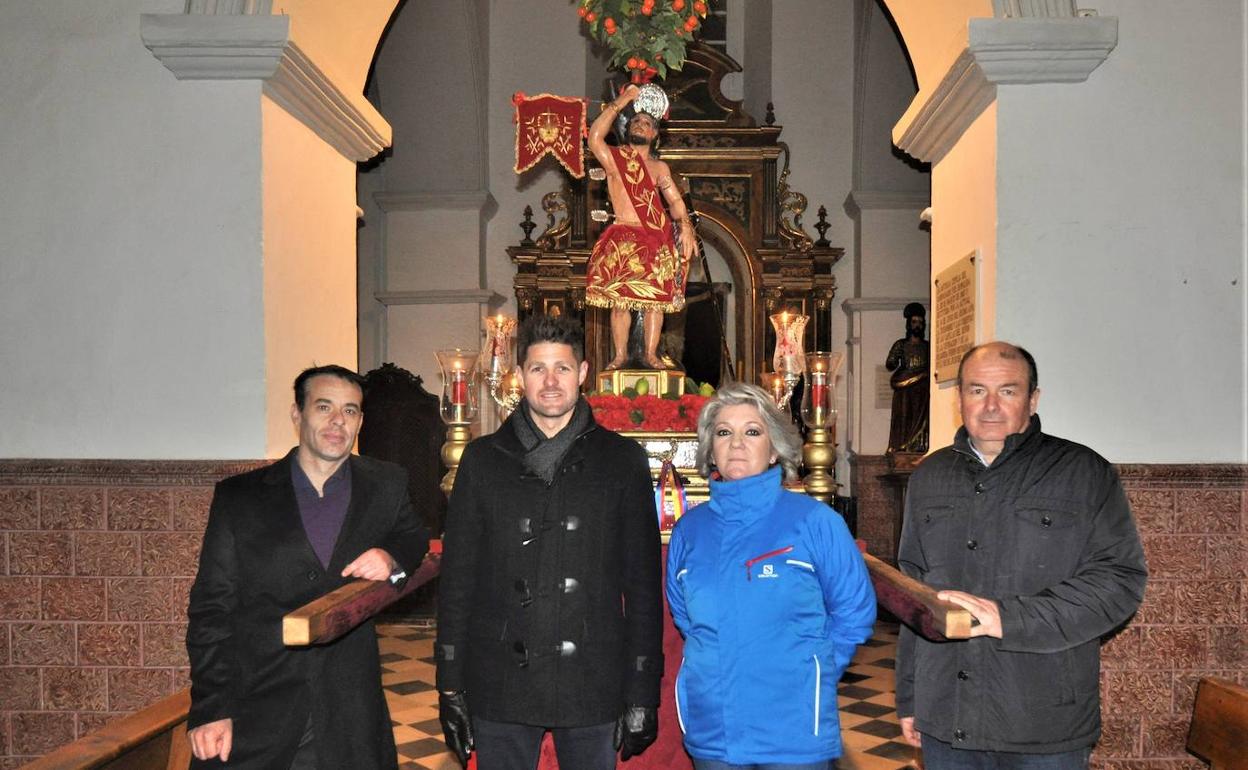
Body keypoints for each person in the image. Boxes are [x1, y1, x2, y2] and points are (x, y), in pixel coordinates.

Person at [896, 342, 1147, 769]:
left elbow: (1118, 582)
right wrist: (910, 695)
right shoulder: (929, 476)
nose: (990, 406)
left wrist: (1008, 619)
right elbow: (913, 595)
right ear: (959, 398)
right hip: (946, 715)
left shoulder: (1083, 473)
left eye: (1008, 391)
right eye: (977, 390)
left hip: (1042, 721)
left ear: (1033, 399)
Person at [435, 314, 664, 770]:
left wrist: (642, 689)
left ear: (582, 373)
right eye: (538, 368)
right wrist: (450, 683)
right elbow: (457, 580)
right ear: (520, 375)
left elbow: (642, 587)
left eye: (563, 368)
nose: (551, 381)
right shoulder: (482, 460)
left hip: (591, 677)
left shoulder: (623, 460)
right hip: (500, 677)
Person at [185, 365, 430, 769]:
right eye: (324, 407)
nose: (338, 421)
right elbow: (211, 609)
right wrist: (212, 707)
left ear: (361, 421)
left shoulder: (385, 483)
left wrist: (390, 557)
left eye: (350, 411)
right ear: (297, 414)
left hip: (349, 711)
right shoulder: (240, 498)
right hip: (259, 705)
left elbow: (414, 536)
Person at [666, 382, 877, 770]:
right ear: (710, 448)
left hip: (792, 726)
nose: (736, 443)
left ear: (775, 447)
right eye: (724, 432)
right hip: (713, 726)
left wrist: (811, 671)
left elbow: (854, 612)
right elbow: (685, 615)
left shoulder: (815, 522)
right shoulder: (689, 531)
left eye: (752, 431)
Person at [586, 83, 697, 370]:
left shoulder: (660, 168)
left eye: (646, 123)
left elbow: (675, 202)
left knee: (655, 302)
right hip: (623, 235)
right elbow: (595, 136)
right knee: (620, 301)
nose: (639, 125)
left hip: (655, 236)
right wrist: (623, 99)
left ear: (654, 134)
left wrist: (685, 227)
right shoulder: (615, 159)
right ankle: (620, 355)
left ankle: (650, 354)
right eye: (635, 121)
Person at [885, 302, 929, 454]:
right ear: (909, 324)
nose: (917, 325)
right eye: (914, 322)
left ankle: (916, 445)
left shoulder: (927, 346)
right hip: (904, 388)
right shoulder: (901, 344)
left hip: (922, 389)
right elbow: (890, 364)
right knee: (903, 417)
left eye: (920, 322)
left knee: (921, 418)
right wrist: (894, 359)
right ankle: (901, 445)